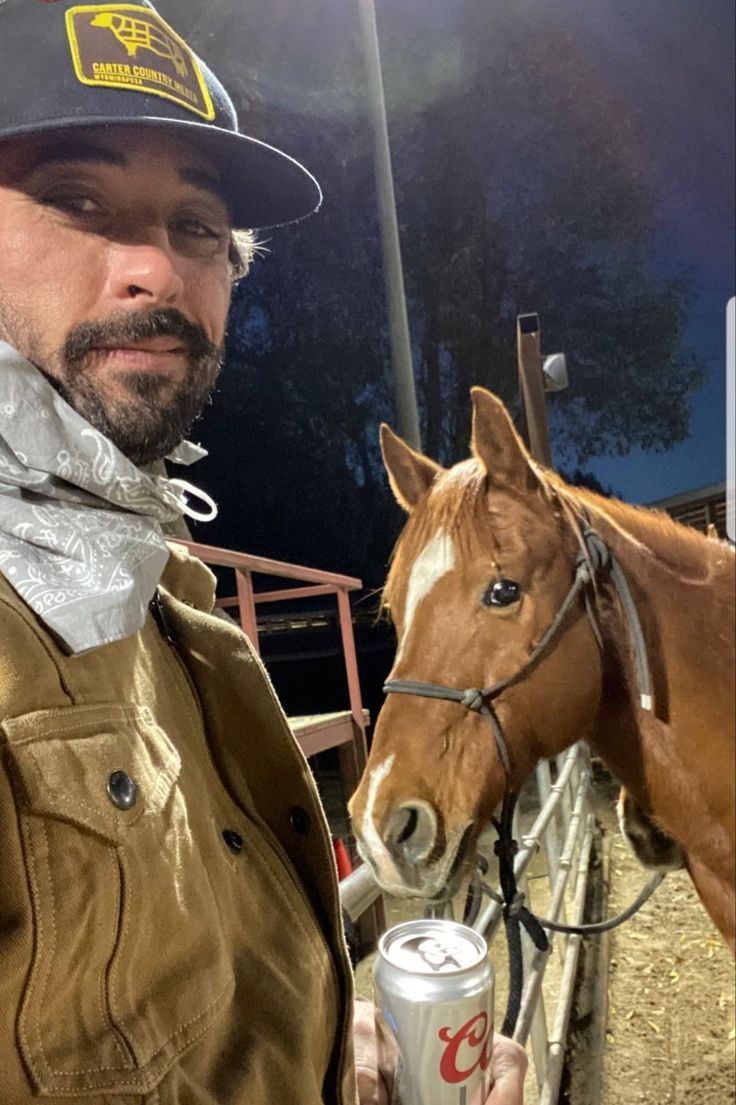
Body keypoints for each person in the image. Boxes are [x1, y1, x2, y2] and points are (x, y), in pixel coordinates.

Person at [0, 1, 526, 1102]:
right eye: (75, 199)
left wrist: (330, 1034)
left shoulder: (160, 572)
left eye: (198, 225)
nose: (154, 266)